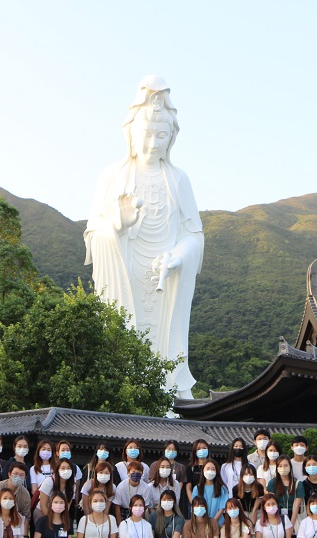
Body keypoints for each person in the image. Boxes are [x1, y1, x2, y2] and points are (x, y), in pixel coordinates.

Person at [84, 75, 205, 399]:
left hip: (167, 280)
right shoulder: (112, 176)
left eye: (162, 135)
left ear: (172, 137)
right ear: (131, 134)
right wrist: (117, 226)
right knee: (123, 342)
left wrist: (178, 256)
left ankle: (170, 397)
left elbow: (194, 233)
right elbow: (94, 231)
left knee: (164, 345)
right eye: (147, 134)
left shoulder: (179, 179)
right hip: (125, 277)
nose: (153, 144)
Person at [267, 457, 304, 530]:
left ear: (290, 467)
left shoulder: (297, 484)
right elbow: (271, 502)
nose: (283, 468)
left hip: (293, 515)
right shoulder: (272, 483)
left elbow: (296, 506)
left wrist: (291, 525)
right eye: (280, 466)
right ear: (277, 468)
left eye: (286, 465)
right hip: (277, 515)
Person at [191, 458, 229, 523]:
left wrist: (213, 522)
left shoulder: (222, 488)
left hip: (217, 523)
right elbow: (195, 507)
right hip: (200, 523)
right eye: (208, 468)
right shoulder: (197, 488)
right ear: (203, 470)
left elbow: (222, 508)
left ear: (216, 472)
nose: (210, 471)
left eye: (213, 469)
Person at [185, 439, 210, 514]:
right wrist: (192, 501)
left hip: (209, 501)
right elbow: (188, 487)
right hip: (195, 502)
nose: (201, 450)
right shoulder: (191, 468)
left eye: (204, 448)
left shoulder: (212, 466)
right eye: (198, 448)